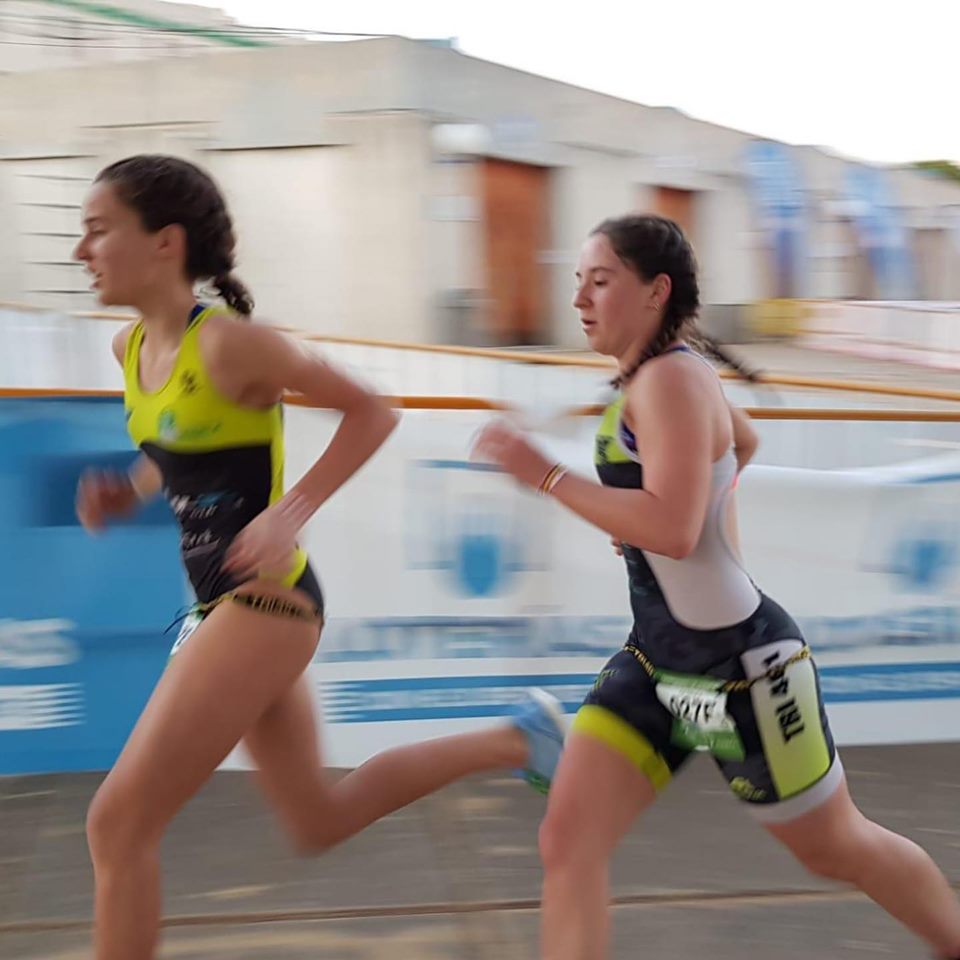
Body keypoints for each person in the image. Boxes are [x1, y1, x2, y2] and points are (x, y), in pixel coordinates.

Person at [73, 154, 565, 960]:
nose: (80, 250)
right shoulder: (128, 348)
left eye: (97, 230)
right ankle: (520, 740)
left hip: (265, 605)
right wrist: (126, 491)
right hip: (222, 607)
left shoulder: (233, 346)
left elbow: (372, 410)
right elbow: (179, 445)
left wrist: (290, 512)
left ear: (165, 242)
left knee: (117, 826)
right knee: (317, 821)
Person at [473, 214, 960, 960]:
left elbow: (671, 529)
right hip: (654, 662)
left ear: (655, 291)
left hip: (741, 671)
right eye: (578, 281)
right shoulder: (659, 373)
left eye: (600, 281)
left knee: (835, 847)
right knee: (568, 839)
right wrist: (662, 519)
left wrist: (546, 475)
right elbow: (739, 447)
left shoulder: (670, 378)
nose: (579, 299)